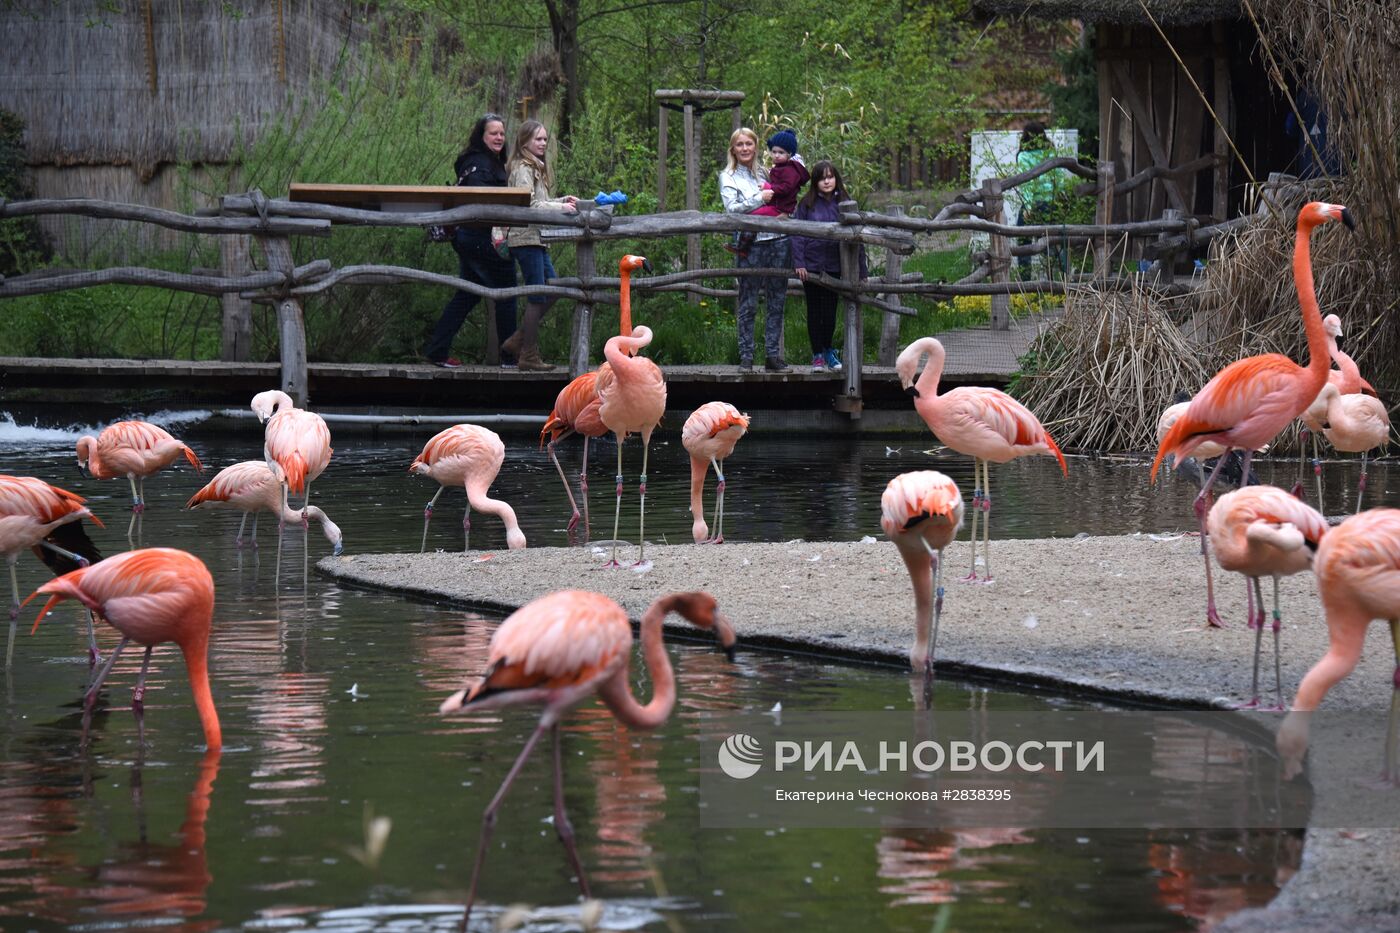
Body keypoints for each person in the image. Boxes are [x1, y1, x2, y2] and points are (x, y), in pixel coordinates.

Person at [426, 113, 520, 369]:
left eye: (502, 133)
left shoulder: (481, 162)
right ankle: (509, 357)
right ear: (482, 136)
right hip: (480, 237)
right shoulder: (480, 165)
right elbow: (481, 201)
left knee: (467, 294)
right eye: (493, 133)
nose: (499, 137)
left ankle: (437, 350)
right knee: (508, 291)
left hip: (468, 237)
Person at [504, 119, 579, 371]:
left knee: (553, 288)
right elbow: (529, 205)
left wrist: (562, 199)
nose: (543, 143)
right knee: (537, 295)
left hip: (537, 238)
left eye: (545, 139)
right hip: (526, 237)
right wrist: (561, 208)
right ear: (524, 141)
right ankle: (528, 354)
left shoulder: (534, 166)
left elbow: (539, 200)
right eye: (538, 139)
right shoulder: (523, 168)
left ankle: (518, 340)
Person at [719, 127, 792, 372]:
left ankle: (772, 355)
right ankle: (746, 357)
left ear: (755, 146)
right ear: (733, 149)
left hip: (779, 240)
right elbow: (732, 209)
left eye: (749, 144)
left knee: (777, 300)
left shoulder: (767, 171)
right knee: (748, 302)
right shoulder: (728, 176)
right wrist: (760, 198)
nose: (745, 149)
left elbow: (784, 196)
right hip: (751, 244)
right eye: (739, 144)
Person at [792, 160, 866, 373]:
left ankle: (828, 351)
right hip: (811, 266)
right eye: (822, 178)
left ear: (836, 179)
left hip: (836, 265)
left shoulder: (845, 202)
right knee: (814, 310)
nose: (827, 181)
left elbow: (856, 237)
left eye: (830, 177)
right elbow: (797, 233)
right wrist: (799, 262)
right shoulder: (806, 204)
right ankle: (816, 355)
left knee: (830, 311)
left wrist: (862, 269)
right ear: (815, 181)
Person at [730, 128, 810, 256]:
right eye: (774, 152)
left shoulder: (790, 170)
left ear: (789, 154)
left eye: (781, 152)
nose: (776, 155)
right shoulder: (780, 168)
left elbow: (786, 188)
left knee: (751, 215)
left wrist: (769, 187)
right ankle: (743, 245)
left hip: (780, 207)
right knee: (752, 215)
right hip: (776, 205)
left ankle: (743, 247)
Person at [1014, 121, 1066, 278]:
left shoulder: (1024, 156)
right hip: (1052, 203)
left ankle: (1025, 281)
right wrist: (1061, 197)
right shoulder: (1050, 153)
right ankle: (1064, 276)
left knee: (1023, 241)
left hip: (1034, 204)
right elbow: (1059, 178)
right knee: (1056, 241)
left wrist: (1028, 207)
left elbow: (1027, 183)